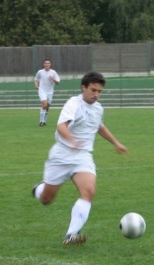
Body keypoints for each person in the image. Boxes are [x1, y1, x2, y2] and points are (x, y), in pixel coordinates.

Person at [31, 71, 128, 245]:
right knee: (46, 199)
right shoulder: (73, 103)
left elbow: (99, 126)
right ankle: (39, 189)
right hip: (62, 155)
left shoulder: (98, 108)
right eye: (93, 90)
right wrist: (72, 140)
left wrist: (116, 142)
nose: (96, 95)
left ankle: (71, 234)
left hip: (83, 157)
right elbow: (61, 126)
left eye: (99, 91)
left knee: (88, 192)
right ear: (83, 87)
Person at [34, 58, 60, 127]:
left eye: (48, 63)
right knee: (44, 104)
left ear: (50, 64)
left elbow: (58, 82)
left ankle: (44, 120)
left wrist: (53, 79)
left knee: (47, 107)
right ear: (43, 64)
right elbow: (36, 79)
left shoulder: (53, 72)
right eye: (45, 63)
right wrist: (36, 85)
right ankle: (41, 121)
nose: (47, 64)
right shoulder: (40, 72)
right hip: (42, 90)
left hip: (50, 92)